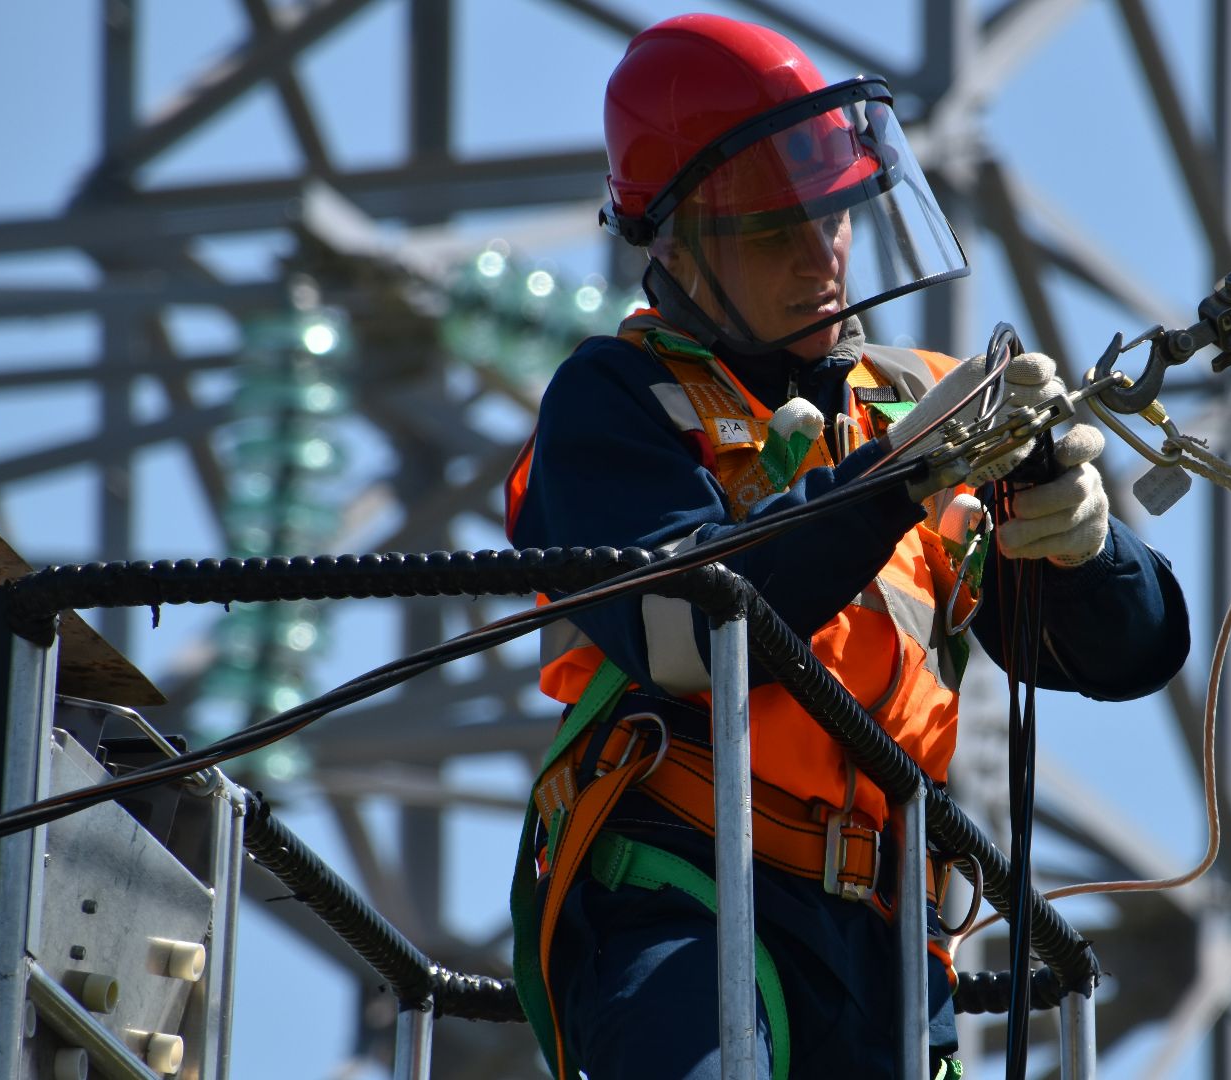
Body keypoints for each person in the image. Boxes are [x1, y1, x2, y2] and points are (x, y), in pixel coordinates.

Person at [505, 13, 1190, 1079]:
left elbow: (1125, 654)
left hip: (888, 945)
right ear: (676, 244)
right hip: (689, 885)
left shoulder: (914, 401)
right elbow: (684, 632)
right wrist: (894, 482)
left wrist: (1086, 546)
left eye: (833, 219)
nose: (819, 259)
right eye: (774, 231)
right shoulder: (618, 401)